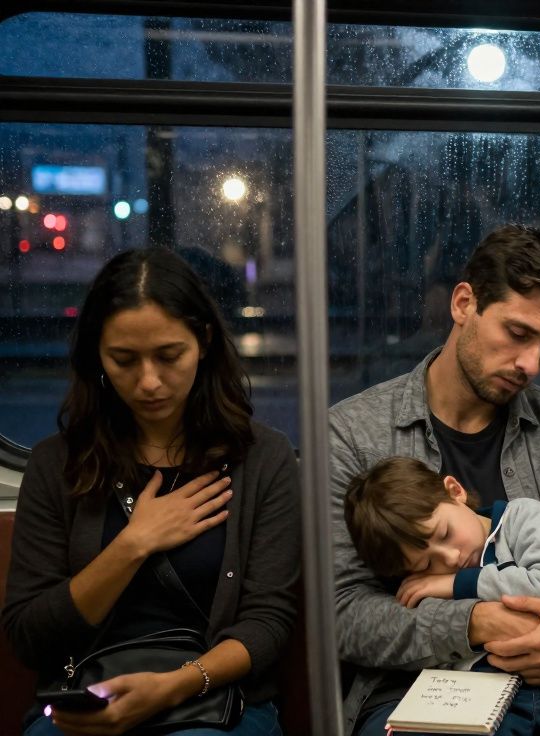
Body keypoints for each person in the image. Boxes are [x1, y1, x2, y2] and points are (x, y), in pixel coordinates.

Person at [330, 224, 540, 735]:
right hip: (423, 682)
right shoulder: (352, 434)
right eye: (518, 334)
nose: (530, 365)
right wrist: (477, 623)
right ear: (463, 303)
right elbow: (344, 614)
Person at [2, 248, 301, 735]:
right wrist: (134, 543)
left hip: (214, 702)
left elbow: (267, 623)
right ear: (97, 355)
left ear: (203, 342)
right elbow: (30, 637)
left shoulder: (262, 459)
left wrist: (174, 685)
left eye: (168, 356)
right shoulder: (57, 463)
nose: (148, 382)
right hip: (87, 697)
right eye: (123, 360)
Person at [342, 457, 540, 734]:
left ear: (455, 491)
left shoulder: (524, 517)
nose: (452, 558)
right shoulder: (423, 583)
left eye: (445, 533)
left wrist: (458, 584)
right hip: (483, 691)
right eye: (427, 564)